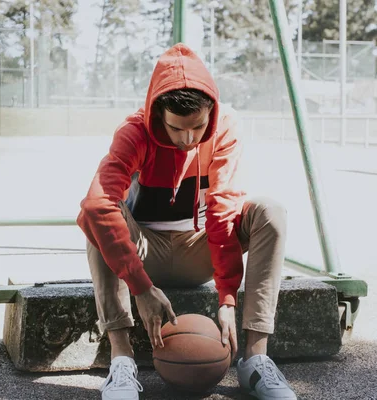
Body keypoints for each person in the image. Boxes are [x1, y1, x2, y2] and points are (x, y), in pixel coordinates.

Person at [76, 43, 297, 400]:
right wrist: (141, 289)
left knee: (270, 211)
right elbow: (95, 205)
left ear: (212, 110)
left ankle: (255, 360)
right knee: (100, 215)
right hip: (145, 249)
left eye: (197, 126)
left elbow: (224, 208)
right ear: (157, 113)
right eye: (177, 128)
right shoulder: (134, 131)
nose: (188, 139)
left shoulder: (226, 126)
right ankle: (122, 361)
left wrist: (226, 298)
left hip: (201, 250)